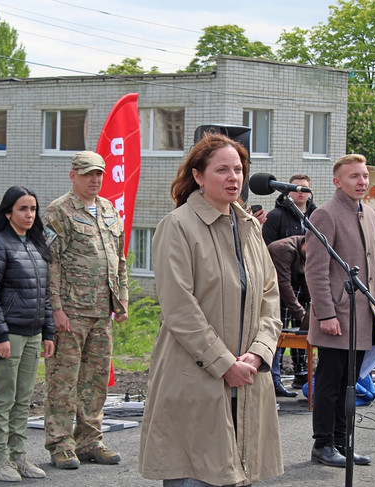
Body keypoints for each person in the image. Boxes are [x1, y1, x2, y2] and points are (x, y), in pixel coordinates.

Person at [139, 133, 284, 486]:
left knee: (240, 472)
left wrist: (259, 353)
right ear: (199, 176)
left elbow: (270, 296)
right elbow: (179, 308)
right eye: (222, 170)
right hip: (195, 378)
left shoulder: (249, 227)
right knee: (197, 474)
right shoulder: (177, 226)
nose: (233, 177)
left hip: (248, 378)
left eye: (238, 169)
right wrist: (224, 364)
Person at [42, 151, 129, 470]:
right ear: (73, 175)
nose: (95, 179)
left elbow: (119, 258)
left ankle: (90, 440)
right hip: (70, 312)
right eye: (88, 174)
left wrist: (121, 300)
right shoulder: (58, 211)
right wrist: (56, 310)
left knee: (94, 380)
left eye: (99, 174)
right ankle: (60, 443)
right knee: (64, 380)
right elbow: (51, 264)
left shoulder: (108, 209)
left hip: (100, 312)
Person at [305, 154, 375, 468]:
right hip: (336, 317)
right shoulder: (325, 214)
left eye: (364, 176)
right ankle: (323, 444)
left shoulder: (369, 213)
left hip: (362, 316)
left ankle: (341, 442)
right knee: (330, 383)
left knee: (349, 385)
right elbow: (316, 270)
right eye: (354, 176)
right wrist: (326, 314)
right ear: (338, 181)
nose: (361, 182)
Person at [0, 186, 56, 482]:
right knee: (3, 398)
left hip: (33, 333)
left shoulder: (37, 245)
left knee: (23, 399)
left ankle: (18, 456)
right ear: (8, 211)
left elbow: (45, 295)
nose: (29, 214)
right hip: (8, 334)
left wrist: (48, 332)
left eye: (33, 209)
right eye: (23, 209)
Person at [263, 174, 316, 394]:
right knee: (281, 331)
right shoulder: (277, 216)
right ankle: (274, 379)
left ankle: (302, 373)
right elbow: (269, 254)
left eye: (305, 188)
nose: (301, 192)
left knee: (304, 328)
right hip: (280, 282)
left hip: (306, 283)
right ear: (288, 191)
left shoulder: (317, 216)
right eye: (297, 188)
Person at [267, 236, 309, 398]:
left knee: (297, 335)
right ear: (306, 243)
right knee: (277, 339)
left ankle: (300, 372)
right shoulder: (284, 249)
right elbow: (282, 283)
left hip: (285, 294)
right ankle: (274, 381)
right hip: (274, 295)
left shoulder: (301, 251)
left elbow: (304, 279)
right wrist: (300, 311)